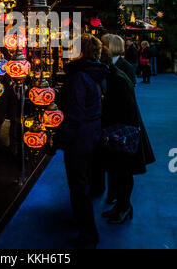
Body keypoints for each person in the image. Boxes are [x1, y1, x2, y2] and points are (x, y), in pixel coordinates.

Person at [58, 34, 109, 249]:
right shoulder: (97, 72)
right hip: (92, 132)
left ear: (81, 51)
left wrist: (60, 139)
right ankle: (82, 219)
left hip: (80, 136)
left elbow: (75, 113)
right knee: (84, 179)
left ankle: (88, 234)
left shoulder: (79, 77)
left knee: (78, 184)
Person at [100, 47, 155, 224]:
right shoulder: (115, 74)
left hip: (122, 133)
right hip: (121, 131)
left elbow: (127, 108)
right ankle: (121, 206)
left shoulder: (117, 77)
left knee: (123, 172)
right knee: (119, 172)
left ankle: (124, 207)